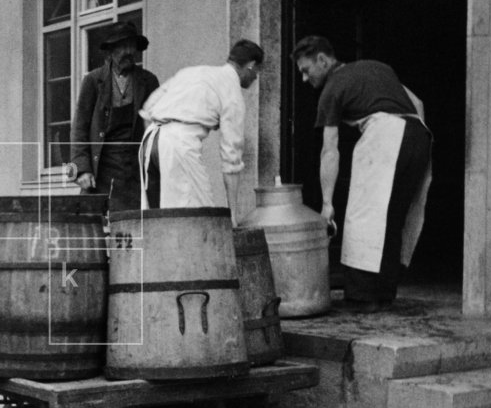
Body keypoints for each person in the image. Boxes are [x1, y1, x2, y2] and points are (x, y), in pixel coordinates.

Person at [291, 35, 432, 311]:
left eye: (306, 71)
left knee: (362, 217)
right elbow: (417, 102)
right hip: (419, 134)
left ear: (323, 60)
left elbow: (329, 150)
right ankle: (384, 292)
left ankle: (363, 297)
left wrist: (328, 203)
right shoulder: (376, 67)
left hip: (387, 134)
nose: (305, 79)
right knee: (392, 216)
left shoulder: (331, 90)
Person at [137, 39, 262, 217]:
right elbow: (231, 158)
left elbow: (148, 109)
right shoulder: (232, 92)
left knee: (159, 218)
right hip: (179, 144)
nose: (256, 77)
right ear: (251, 65)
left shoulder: (192, 72)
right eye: (257, 71)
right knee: (200, 218)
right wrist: (232, 215)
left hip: (149, 141)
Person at [69, 21, 159, 212]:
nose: (128, 51)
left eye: (131, 46)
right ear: (110, 51)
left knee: (137, 222)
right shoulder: (93, 81)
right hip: (102, 168)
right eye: (122, 46)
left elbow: (157, 129)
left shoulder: (148, 81)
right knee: (101, 225)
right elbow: (80, 128)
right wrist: (82, 169)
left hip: (136, 170)